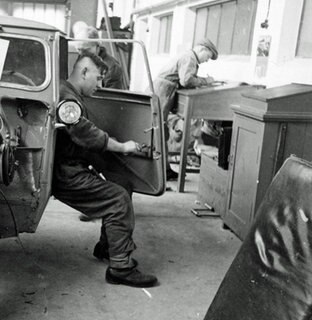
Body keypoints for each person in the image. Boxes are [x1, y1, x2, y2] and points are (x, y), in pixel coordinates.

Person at [52, 51, 158, 288]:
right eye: (98, 78)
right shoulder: (66, 98)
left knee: (123, 184)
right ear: (84, 72)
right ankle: (120, 268)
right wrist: (122, 147)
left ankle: (108, 247)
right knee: (118, 200)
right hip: (67, 174)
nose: (99, 86)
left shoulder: (67, 92)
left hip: (74, 167)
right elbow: (86, 134)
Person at [153, 38, 218, 180]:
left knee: (158, 131)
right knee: (158, 131)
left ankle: (163, 169)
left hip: (162, 92)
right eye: (208, 57)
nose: (207, 60)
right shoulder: (189, 58)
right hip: (162, 93)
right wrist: (206, 81)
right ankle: (159, 171)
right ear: (202, 49)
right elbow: (186, 80)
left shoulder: (187, 56)